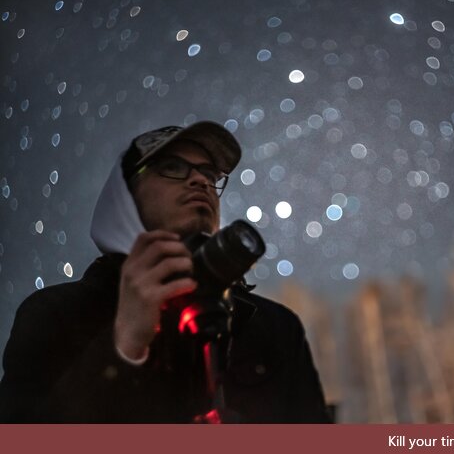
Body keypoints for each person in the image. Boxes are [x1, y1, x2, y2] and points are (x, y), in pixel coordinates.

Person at [0, 122, 329, 423]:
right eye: (172, 167)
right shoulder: (56, 314)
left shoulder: (274, 327)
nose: (200, 180)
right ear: (124, 195)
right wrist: (122, 347)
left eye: (210, 174)